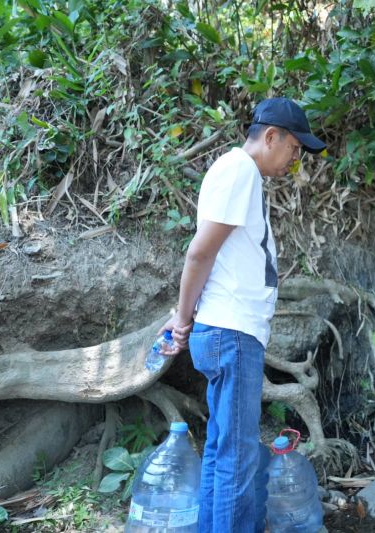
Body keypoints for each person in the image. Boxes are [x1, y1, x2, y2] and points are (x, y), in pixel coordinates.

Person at [157, 97, 326, 533]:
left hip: (228, 330)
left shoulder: (237, 172)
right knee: (236, 454)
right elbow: (200, 253)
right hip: (231, 332)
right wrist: (181, 319)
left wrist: (190, 317)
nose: (295, 159)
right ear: (271, 136)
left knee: (222, 448)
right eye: (294, 148)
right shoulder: (239, 171)